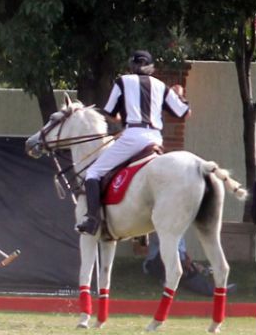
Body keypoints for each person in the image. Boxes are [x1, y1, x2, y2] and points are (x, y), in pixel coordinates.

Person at [77, 50, 192, 235]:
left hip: (132, 136)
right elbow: (185, 113)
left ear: (131, 65)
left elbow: (110, 113)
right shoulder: (161, 86)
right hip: (155, 138)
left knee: (93, 172)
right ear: (151, 67)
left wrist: (120, 118)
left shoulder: (122, 81)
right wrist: (179, 94)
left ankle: (92, 220)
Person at [142, 232, 237, 296]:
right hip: (153, 264)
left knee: (188, 267)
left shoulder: (179, 231)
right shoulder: (162, 229)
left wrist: (189, 262)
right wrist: (185, 263)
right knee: (183, 266)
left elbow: (182, 252)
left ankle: (173, 279)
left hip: (171, 262)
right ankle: (212, 290)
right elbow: (170, 247)